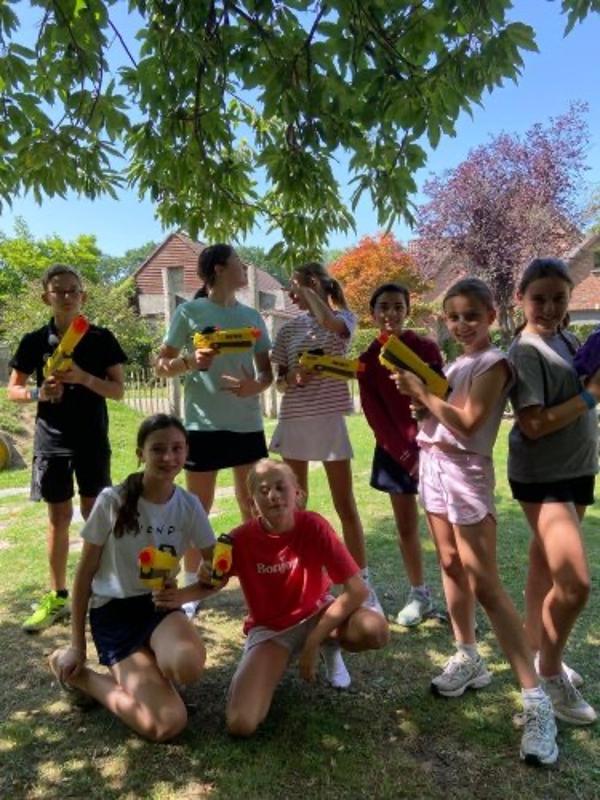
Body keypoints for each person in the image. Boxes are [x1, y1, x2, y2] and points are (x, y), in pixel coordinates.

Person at [392, 277, 558, 766]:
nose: (462, 324)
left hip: (465, 472)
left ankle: (537, 700)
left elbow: (467, 424)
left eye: (471, 316)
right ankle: (469, 656)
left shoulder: (495, 362)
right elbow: (444, 418)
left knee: (485, 583)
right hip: (433, 466)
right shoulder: (454, 364)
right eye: (454, 317)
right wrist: (423, 406)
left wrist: (423, 393)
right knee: (448, 562)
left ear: (491, 316)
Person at [156, 458, 389, 737]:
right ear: (252, 504)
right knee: (241, 724)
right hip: (272, 631)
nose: (273, 496)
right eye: (264, 491)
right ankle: (273, 665)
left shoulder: (314, 526)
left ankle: (329, 646)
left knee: (374, 629)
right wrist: (182, 593)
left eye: (280, 487)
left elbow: (358, 590)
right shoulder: (238, 540)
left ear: (298, 493)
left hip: (317, 615)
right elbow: (214, 580)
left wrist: (313, 641)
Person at [48, 414, 217, 741]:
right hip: (114, 613)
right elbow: (83, 575)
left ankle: (151, 666)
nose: (168, 457)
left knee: (187, 664)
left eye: (177, 448)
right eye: (158, 449)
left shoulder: (189, 505)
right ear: (141, 454)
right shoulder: (112, 501)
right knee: (167, 724)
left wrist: (185, 595)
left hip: (159, 608)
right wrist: (77, 646)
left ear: (186, 451)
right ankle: (81, 678)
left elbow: (219, 571)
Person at [7, 264, 126, 632]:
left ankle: (104, 590)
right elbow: (13, 390)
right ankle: (58, 596)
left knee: (95, 513)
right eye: (58, 290)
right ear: (47, 297)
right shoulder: (33, 341)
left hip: (92, 438)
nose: (67, 296)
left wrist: (84, 378)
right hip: (52, 440)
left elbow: (118, 390)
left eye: (73, 289)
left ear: (83, 296)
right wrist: (38, 393)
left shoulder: (101, 338)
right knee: (58, 518)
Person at [156, 244, 273, 615]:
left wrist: (255, 386)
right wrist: (190, 361)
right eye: (239, 263)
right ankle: (192, 585)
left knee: (251, 504)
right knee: (197, 508)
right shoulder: (189, 312)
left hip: (247, 424)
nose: (244, 268)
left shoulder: (252, 316)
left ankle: (259, 581)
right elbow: (161, 365)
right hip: (202, 425)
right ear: (219, 269)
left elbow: (267, 373)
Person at [508, 257, 598, 726]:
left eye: (558, 298)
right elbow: (534, 424)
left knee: (543, 568)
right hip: (544, 476)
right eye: (538, 298)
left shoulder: (566, 338)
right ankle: (548, 675)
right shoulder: (526, 351)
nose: (548, 307)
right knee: (574, 584)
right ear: (520, 299)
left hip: (577, 468)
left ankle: (538, 653)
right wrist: (592, 394)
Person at [269, 262, 381, 611]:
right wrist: (294, 378)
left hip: (330, 420)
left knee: (345, 504)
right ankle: (303, 580)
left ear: (314, 283)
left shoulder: (344, 318)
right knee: (295, 505)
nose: (291, 295)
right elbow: (280, 382)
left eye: (294, 287)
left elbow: (331, 324)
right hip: (295, 419)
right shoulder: (288, 330)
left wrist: (309, 292)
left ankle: (362, 582)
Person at [358, 283, 443, 626]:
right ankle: (419, 593)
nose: (390, 313)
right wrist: (408, 458)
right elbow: (375, 417)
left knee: (444, 530)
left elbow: (440, 395)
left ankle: (459, 593)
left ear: (407, 310)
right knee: (407, 527)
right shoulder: (366, 360)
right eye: (383, 307)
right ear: (373, 313)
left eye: (398, 306)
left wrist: (425, 447)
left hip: (435, 448)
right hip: (395, 454)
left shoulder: (426, 348)